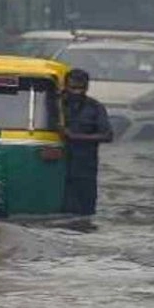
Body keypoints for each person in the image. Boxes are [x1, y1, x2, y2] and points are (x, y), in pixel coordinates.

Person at [62, 68, 112, 216]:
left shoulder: (95, 108)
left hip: (85, 168)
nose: (77, 92)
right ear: (65, 86)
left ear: (87, 87)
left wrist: (75, 137)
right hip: (57, 165)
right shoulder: (54, 104)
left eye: (81, 88)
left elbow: (108, 135)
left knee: (85, 211)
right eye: (73, 88)